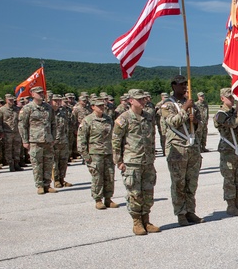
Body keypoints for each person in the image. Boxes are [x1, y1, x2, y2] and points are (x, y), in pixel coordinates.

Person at [113, 89, 159, 235]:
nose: (142, 101)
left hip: (147, 161)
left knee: (148, 193)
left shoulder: (149, 117)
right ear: (130, 101)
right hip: (132, 161)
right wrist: (118, 161)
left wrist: (152, 156)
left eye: (143, 99)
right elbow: (116, 141)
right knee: (134, 193)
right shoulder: (124, 118)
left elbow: (152, 138)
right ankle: (137, 222)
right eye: (139, 99)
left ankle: (146, 220)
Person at [159, 75, 203, 226]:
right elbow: (172, 121)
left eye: (185, 84)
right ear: (173, 86)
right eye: (180, 85)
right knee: (179, 183)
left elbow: (201, 125)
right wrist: (184, 109)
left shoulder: (191, 103)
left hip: (192, 148)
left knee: (191, 182)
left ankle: (190, 211)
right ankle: (181, 213)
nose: (184, 87)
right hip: (177, 149)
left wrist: (195, 121)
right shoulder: (167, 105)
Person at [215, 87, 238, 216]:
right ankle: (230, 205)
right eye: (229, 98)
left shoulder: (237, 113)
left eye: (233, 98)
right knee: (229, 178)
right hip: (228, 150)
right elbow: (232, 124)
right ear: (222, 98)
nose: (232, 100)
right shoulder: (220, 114)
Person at [79, 97, 117, 210]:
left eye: (103, 105)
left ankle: (108, 198)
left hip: (108, 152)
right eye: (99, 106)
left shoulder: (108, 119)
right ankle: (98, 199)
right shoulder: (88, 120)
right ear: (93, 107)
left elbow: (114, 136)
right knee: (97, 177)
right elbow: (81, 139)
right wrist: (85, 155)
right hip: (95, 154)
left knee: (109, 176)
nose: (102, 108)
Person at [18, 86, 57, 194]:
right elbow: (23, 125)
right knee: (37, 164)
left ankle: (47, 184)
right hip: (35, 140)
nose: (41, 94)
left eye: (42, 93)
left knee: (48, 163)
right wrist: (25, 140)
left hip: (48, 140)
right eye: (38, 93)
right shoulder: (28, 108)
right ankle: (39, 185)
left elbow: (53, 123)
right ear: (32, 94)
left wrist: (53, 137)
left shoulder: (48, 107)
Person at [52, 94, 74, 187]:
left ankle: (62, 179)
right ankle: (56, 180)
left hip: (64, 140)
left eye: (59, 100)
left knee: (63, 161)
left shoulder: (63, 112)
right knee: (54, 162)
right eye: (55, 100)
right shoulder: (49, 112)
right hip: (53, 141)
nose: (57, 102)